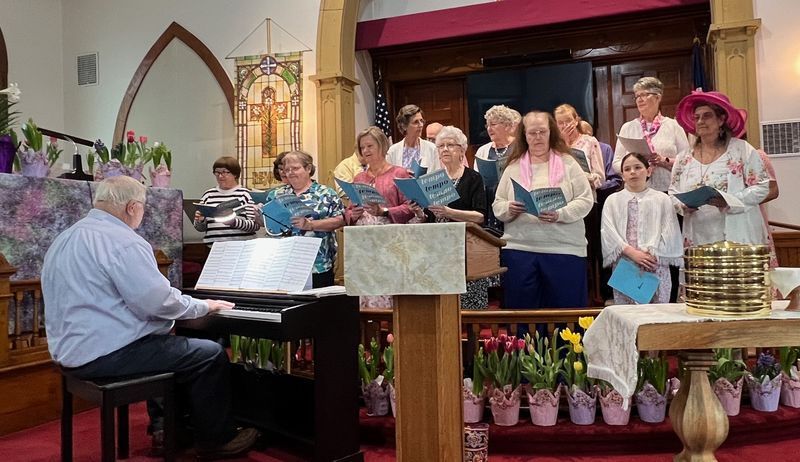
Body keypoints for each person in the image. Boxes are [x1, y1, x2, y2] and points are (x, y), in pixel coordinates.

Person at [41, 176, 258, 458]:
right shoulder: (123, 241)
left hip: (70, 351)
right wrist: (204, 306)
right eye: (143, 207)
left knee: (164, 343)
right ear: (132, 207)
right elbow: (157, 302)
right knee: (208, 353)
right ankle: (216, 440)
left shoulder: (66, 237)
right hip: (105, 353)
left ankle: (168, 431)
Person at [493, 111, 594, 310]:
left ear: (551, 133)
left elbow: (585, 200)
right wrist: (509, 208)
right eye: (532, 133)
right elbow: (498, 204)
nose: (537, 137)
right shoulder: (513, 166)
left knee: (565, 314)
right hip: (520, 249)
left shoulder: (569, 163)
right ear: (524, 135)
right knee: (523, 314)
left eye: (542, 132)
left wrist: (560, 214)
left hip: (564, 249)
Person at [669, 89, 770, 247]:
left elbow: (763, 187)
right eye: (697, 117)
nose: (700, 121)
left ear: (721, 120)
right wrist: (681, 206)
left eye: (707, 116)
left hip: (738, 233)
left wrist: (729, 200)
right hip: (698, 235)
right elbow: (673, 192)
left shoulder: (742, 150)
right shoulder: (683, 158)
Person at [348, 126, 420, 308]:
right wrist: (353, 214)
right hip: (364, 244)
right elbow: (349, 210)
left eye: (370, 146)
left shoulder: (399, 173)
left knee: (389, 291)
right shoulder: (359, 178)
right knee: (365, 292)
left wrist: (385, 211)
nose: (365, 150)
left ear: (382, 146)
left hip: (390, 241)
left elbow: (411, 207)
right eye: (362, 147)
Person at [601, 153, 683, 304]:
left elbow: (670, 231)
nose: (633, 172)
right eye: (627, 169)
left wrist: (651, 254)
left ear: (649, 171)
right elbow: (608, 231)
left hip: (654, 264)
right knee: (627, 313)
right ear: (622, 175)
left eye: (638, 167)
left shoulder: (662, 199)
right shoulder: (612, 200)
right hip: (625, 264)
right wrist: (631, 253)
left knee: (656, 312)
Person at [265, 150, 345, 288]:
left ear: (308, 168)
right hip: (283, 264)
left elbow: (341, 220)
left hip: (317, 265)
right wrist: (259, 217)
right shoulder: (276, 194)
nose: (290, 173)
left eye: (295, 168)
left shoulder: (326, 193)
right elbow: (268, 225)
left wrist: (310, 225)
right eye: (287, 170)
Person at [612, 77, 690, 192]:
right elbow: (616, 163)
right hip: (636, 191)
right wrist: (634, 166)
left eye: (644, 95)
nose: (639, 100)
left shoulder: (674, 126)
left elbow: (687, 161)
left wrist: (663, 161)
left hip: (668, 190)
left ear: (658, 97)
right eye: (637, 96)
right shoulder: (628, 128)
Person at [420, 125, 486, 224]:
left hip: (462, 232)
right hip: (435, 231)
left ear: (462, 151)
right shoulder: (434, 178)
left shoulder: (473, 178)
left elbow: (480, 217)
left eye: (450, 145)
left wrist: (449, 212)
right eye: (441, 146)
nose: (445, 149)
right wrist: (419, 213)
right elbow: (428, 217)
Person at [475, 104, 522, 234]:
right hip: (490, 199)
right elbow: (477, 177)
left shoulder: (520, 147)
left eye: (493, 124)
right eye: (487, 125)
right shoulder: (483, 150)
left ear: (507, 125)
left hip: (512, 199)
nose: (489, 129)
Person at [193, 156, 260, 244]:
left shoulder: (245, 194)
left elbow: (255, 225)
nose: (220, 176)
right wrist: (200, 220)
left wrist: (234, 222)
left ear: (235, 174)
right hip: (214, 247)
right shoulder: (208, 195)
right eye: (217, 172)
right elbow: (200, 228)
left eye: (224, 172)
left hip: (241, 246)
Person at [554, 104, 606, 192]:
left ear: (576, 121)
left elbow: (600, 178)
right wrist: (565, 143)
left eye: (568, 121)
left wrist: (585, 178)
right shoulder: (554, 146)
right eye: (560, 123)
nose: (565, 125)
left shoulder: (590, 141)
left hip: (586, 191)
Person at [387, 104, 441, 172]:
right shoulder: (393, 151)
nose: (421, 125)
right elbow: (388, 176)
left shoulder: (432, 148)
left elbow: (438, 174)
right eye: (416, 122)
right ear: (404, 126)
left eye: (421, 121)